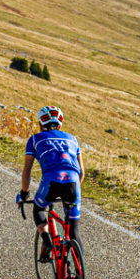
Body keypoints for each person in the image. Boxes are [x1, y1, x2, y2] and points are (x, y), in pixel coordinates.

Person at [16, 105, 83, 261]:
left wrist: (24, 193)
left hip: (52, 179)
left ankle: (46, 241)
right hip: (73, 181)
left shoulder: (34, 139)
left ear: (40, 124)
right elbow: (82, 172)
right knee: (74, 232)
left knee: (38, 208)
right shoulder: (73, 139)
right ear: (60, 124)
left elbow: (27, 170)